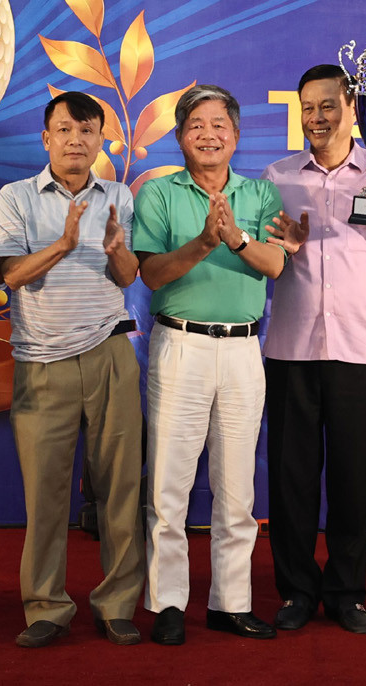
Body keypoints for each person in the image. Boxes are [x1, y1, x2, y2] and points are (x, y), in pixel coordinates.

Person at [261, 64, 366, 636]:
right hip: (291, 346)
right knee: (292, 479)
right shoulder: (277, 176)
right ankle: (296, 590)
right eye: (307, 107)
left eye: (327, 105)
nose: (317, 117)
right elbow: (264, 254)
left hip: (360, 347)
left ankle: (347, 593)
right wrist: (283, 245)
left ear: (353, 108)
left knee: (352, 480)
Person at [133, 85, 285, 646]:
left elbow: (275, 265)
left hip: (243, 351)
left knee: (237, 489)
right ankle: (168, 603)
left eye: (219, 124)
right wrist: (202, 242)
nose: (208, 134)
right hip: (181, 347)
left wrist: (236, 237)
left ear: (236, 136)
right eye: (196, 124)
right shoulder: (159, 194)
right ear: (179, 137)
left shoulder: (261, 193)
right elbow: (151, 274)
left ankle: (231, 603)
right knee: (168, 487)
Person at [0, 91, 145, 649]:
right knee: (45, 495)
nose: (75, 140)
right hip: (42, 361)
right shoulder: (16, 197)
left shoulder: (118, 195)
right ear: (46, 138)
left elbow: (128, 276)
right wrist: (64, 243)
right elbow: (11, 276)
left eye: (86, 131)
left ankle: (118, 604)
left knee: (121, 490)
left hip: (109, 353)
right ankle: (46, 607)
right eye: (64, 130)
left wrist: (116, 249)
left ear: (101, 139)